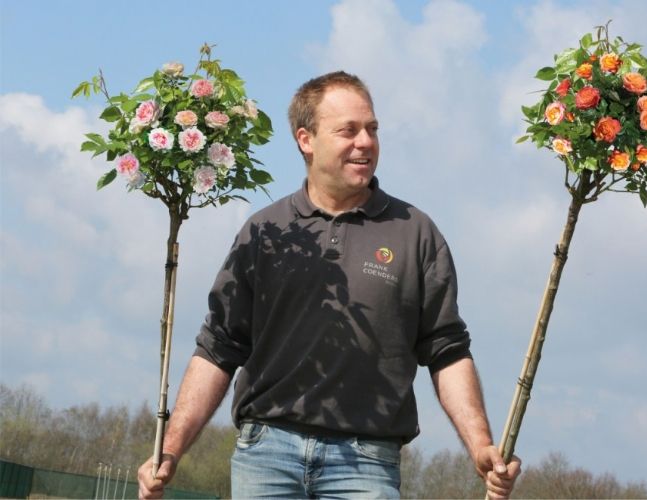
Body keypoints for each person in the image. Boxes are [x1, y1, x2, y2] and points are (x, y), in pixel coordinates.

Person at [137, 71, 520, 499]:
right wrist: (170, 448)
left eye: (372, 129)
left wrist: (481, 446)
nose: (366, 142)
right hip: (267, 454)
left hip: (366, 461)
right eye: (348, 130)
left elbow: (446, 349)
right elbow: (219, 347)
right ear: (306, 139)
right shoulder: (265, 232)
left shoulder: (415, 233)